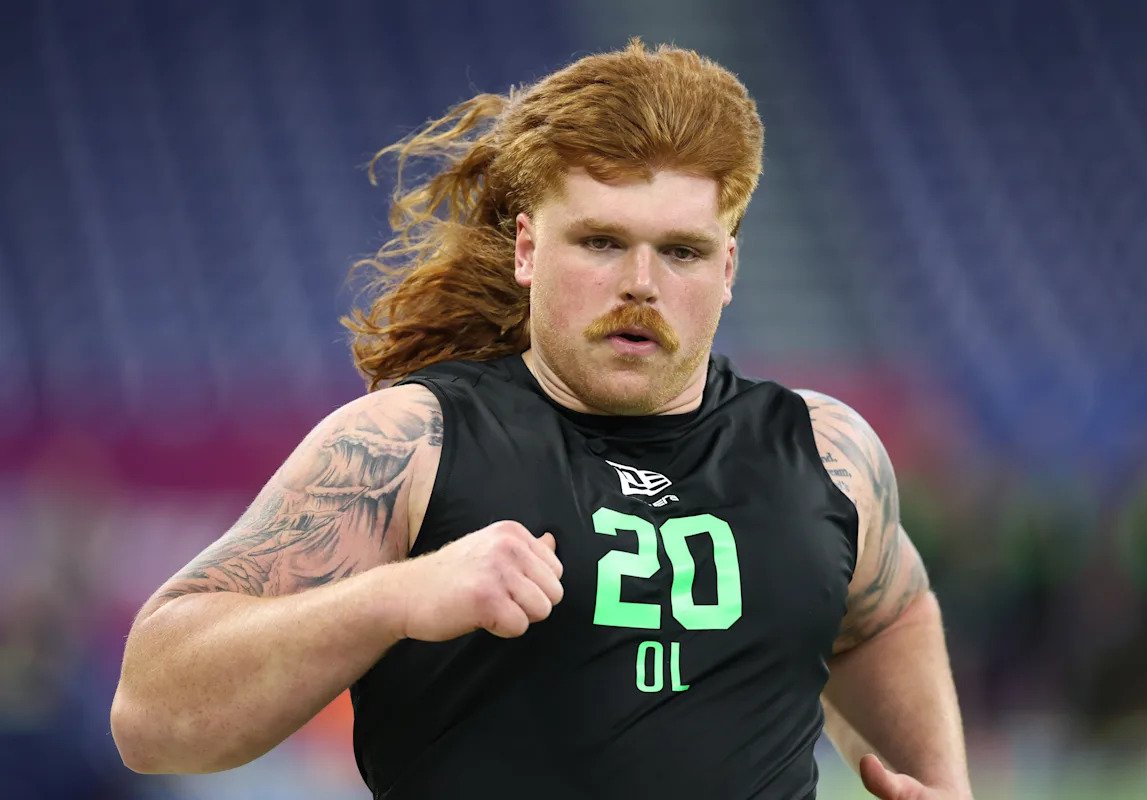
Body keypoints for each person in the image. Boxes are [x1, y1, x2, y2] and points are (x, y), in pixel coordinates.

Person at [110, 39, 972, 799]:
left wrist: (939, 780)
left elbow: (885, 615)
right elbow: (149, 717)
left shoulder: (825, 451)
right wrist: (395, 596)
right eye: (601, 242)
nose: (641, 283)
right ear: (528, 249)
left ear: (729, 268)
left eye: (681, 251)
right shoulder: (412, 444)